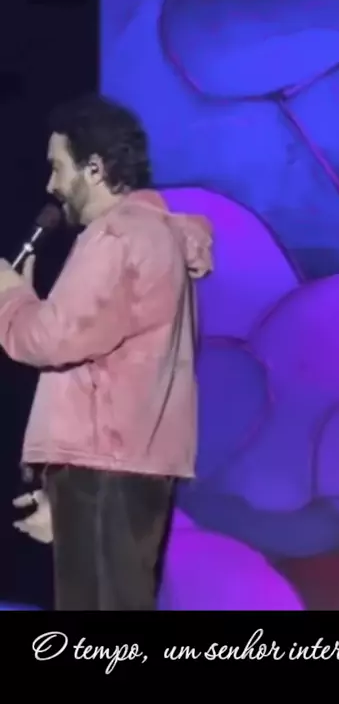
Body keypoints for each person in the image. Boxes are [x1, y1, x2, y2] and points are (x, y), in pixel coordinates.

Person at [0, 95, 213, 610]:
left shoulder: (117, 236)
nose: (50, 185)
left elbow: (52, 338)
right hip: (122, 463)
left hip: (105, 468)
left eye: (58, 167)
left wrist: (10, 299)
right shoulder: (156, 236)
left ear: (94, 168)